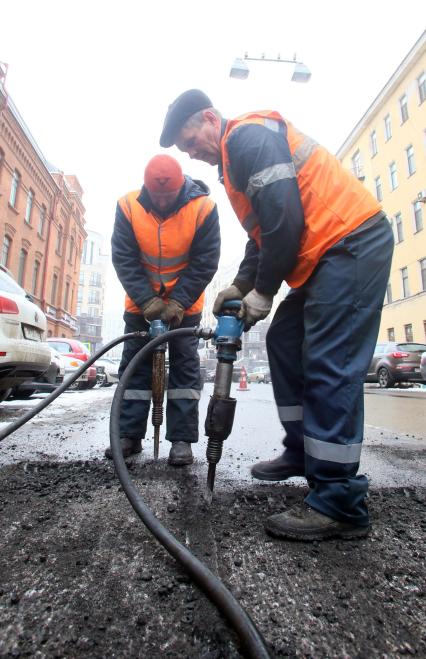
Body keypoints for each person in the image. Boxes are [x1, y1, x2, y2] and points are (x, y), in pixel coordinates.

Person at [159, 90, 394, 540]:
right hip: (325, 255)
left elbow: (285, 216)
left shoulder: (247, 138)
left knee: (329, 359)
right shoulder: (232, 164)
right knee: (284, 340)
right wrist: (242, 286)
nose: (194, 153)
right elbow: (264, 234)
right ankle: (303, 452)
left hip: (351, 241)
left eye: (192, 141)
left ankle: (340, 502)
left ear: (210, 117)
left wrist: (263, 292)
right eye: (186, 151)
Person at [105, 154, 220, 465]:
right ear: (146, 189)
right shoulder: (128, 206)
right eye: (156, 197)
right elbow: (124, 259)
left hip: (185, 306)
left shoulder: (203, 208)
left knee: (184, 368)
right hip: (141, 305)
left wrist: (178, 301)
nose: (162, 202)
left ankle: (181, 440)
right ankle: (129, 435)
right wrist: (147, 301)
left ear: (182, 186)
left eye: (168, 197)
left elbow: (205, 262)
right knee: (135, 367)